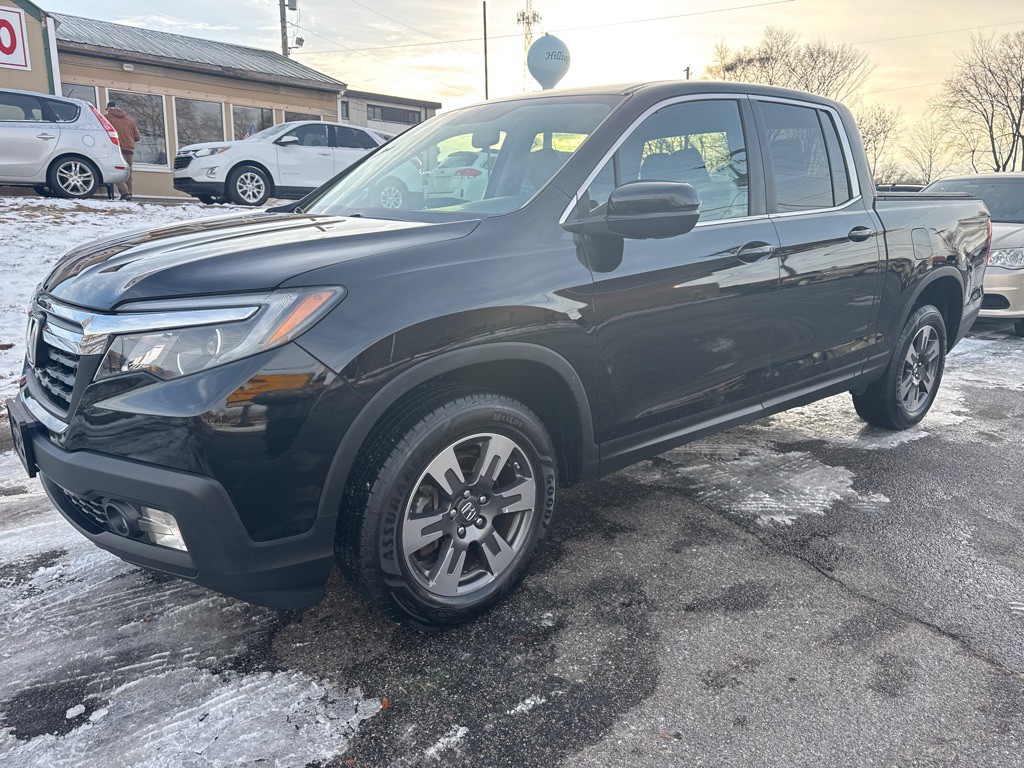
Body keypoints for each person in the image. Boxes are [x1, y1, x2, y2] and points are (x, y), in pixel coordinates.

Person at [104, 101, 141, 201]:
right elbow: (137, 137)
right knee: (128, 174)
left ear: (109, 108)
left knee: (116, 172)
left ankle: (124, 193)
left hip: (116, 149)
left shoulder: (106, 118)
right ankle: (129, 194)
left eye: (107, 109)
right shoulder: (130, 121)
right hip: (129, 151)